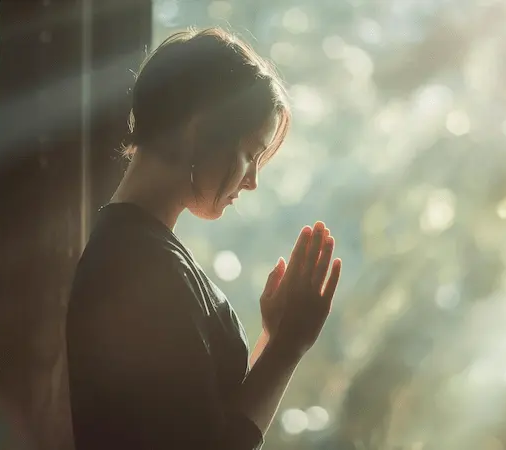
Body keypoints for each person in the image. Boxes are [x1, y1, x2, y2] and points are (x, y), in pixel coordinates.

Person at [66, 27, 342, 450]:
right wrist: (287, 348)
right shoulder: (139, 267)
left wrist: (274, 337)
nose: (251, 181)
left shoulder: (140, 252)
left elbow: (211, 417)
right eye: (251, 153)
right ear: (198, 130)